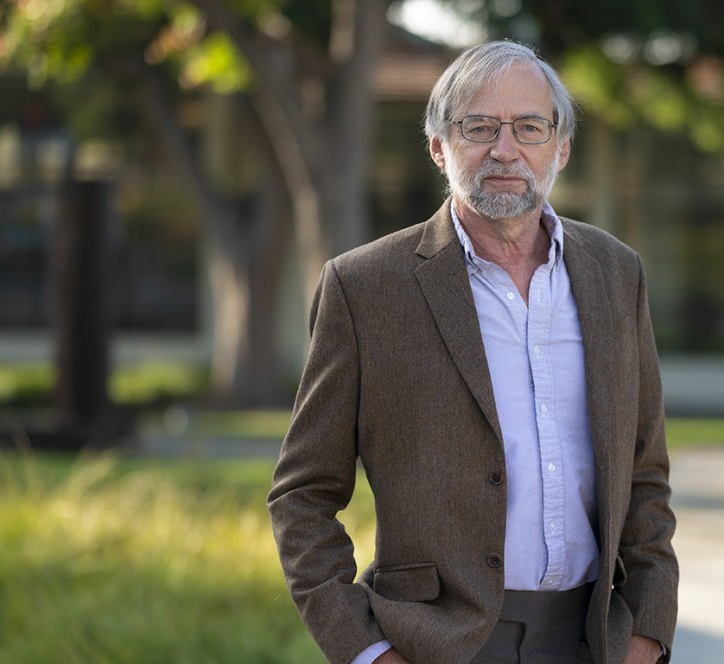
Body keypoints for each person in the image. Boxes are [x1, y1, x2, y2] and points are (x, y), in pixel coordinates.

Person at [268, 40, 678, 664]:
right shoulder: (366, 287)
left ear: (561, 147)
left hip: (592, 640)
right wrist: (366, 651)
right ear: (439, 146)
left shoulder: (616, 274)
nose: (505, 149)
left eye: (529, 127)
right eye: (478, 127)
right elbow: (302, 494)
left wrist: (647, 630)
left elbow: (645, 472)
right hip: (432, 644)